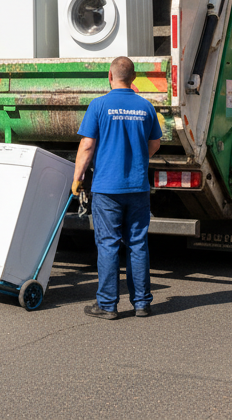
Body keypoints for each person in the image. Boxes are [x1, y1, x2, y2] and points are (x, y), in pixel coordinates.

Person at [72, 56, 162, 319]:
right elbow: (155, 144)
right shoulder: (146, 107)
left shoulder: (99, 105)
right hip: (137, 187)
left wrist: (77, 178)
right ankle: (142, 303)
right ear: (134, 78)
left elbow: (87, 145)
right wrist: (137, 157)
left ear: (109, 77)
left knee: (109, 244)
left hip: (107, 189)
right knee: (137, 243)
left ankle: (108, 305)